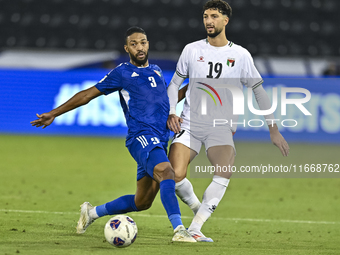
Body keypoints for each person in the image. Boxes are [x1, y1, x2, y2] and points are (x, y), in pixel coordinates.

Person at [31, 26, 196, 243]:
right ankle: (180, 231)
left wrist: (192, 86)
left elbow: (165, 101)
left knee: (143, 202)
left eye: (143, 42)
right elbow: (87, 95)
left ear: (148, 44)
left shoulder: (155, 70)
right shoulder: (122, 72)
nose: (140, 47)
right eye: (134, 44)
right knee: (167, 173)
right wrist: (53, 113)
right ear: (127, 48)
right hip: (141, 136)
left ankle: (91, 213)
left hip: (159, 138)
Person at [167, 0, 290, 242]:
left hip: (221, 127)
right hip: (190, 123)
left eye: (214, 16)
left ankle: (195, 228)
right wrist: (172, 111)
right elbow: (174, 84)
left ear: (225, 20)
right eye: (205, 16)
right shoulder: (191, 50)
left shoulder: (240, 55)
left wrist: (273, 129)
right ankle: (196, 205)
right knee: (174, 174)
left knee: (224, 170)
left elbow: (259, 91)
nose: (208, 21)